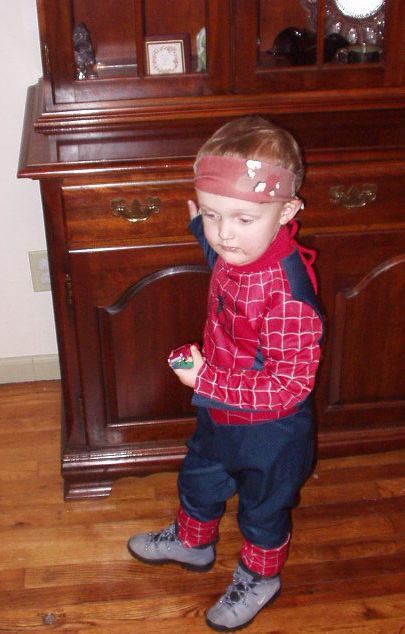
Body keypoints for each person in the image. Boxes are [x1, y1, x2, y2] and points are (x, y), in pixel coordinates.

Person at [127, 116, 324, 631]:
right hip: (219, 414)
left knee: (263, 510)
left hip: (271, 434)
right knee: (199, 476)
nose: (225, 234)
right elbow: (216, 248)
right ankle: (193, 542)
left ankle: (260, 578)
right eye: (213, 214)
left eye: (242, 218)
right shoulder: (234, 249)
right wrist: (200, 226)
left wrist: (204, 381)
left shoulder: (288, 298)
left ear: (287, 211)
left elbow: (289, 385)